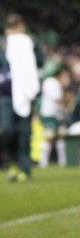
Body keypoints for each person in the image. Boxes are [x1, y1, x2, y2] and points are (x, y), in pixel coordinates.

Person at [3, 13, 41, 183]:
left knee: (25, 132)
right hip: (5, 94)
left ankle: (25, 169)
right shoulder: (3, 45)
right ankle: (13, 161)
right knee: (7, 130)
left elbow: (39, 61)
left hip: (24, 93)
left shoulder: (28, 43)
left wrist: (32, 46)